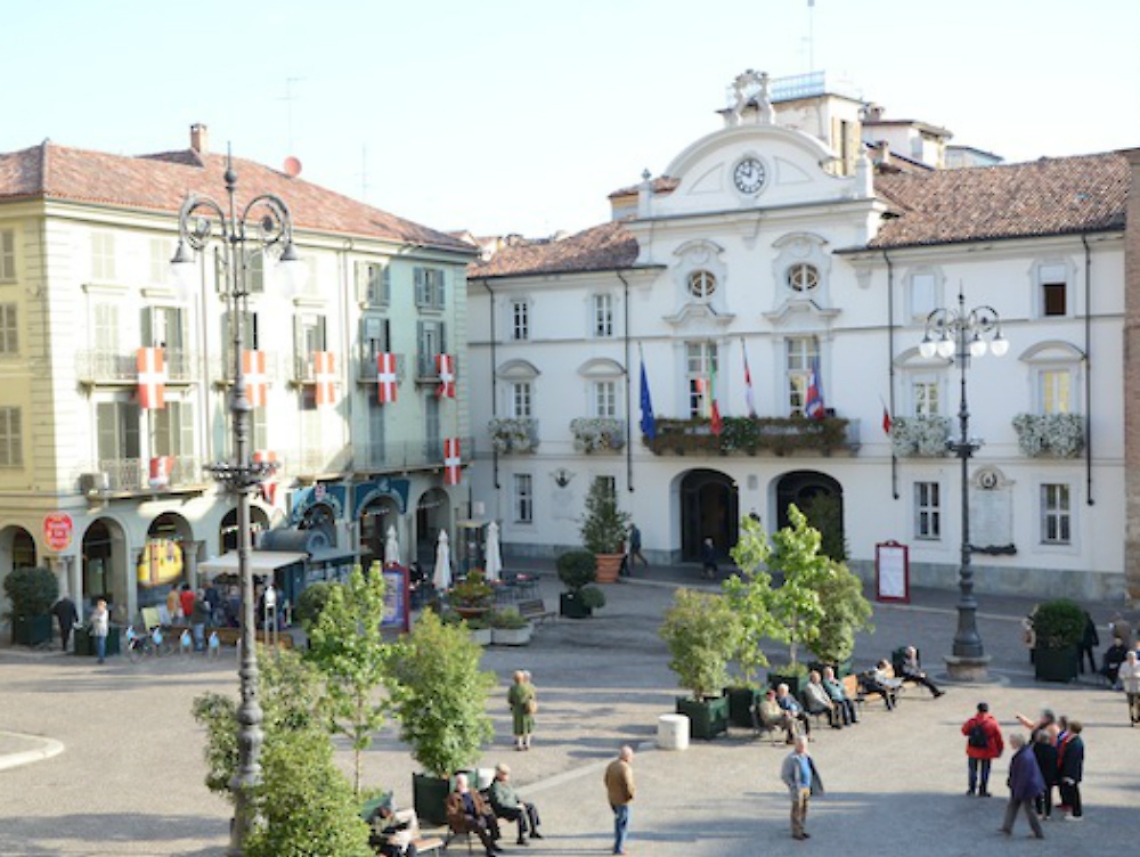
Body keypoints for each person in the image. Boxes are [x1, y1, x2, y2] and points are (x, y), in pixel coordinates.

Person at [1000, 733, 1045, 839]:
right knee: (1013, 806)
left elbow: (1023, 777)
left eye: (1012, 742)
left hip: (1025, 788)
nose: (1010, 744)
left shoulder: (1024, 757)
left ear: (1017, 742)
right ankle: (1007, 827)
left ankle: (1038, 832)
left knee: (1029, 810)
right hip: (1025, 786)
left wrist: (1017, 792)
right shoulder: (1026, 752)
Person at [445, 773, 501, 857]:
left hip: (477, 815)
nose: (461, 784)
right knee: (479, 825)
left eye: (462, 782)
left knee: (491, 817)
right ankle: (488, 848)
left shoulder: (472, 792)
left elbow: (482, 804)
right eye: (459, 782)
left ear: (466, 783)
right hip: (464, 821)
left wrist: (484, 811)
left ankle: (493, 841)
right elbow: (451, 814)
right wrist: (464, 817)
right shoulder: (453, 797)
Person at [486, 763, 543, 845]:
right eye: (505, 774)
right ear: (499, 774)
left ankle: (533, 831)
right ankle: (521, 837)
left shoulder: (507, 784)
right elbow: (500, 803)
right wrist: (516, 806)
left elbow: (514, 795)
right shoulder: (496, 787)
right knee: (520, 812)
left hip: (512, 806)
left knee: (531, 806)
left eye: (507, 774)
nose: (507, 776)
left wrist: (520, 802)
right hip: (503, 810)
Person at [780, 733, 824, 841]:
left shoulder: (807, 756)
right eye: (800, 745)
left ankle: (802, 829)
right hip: (798, 788)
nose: (803, 747)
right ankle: (796, 832)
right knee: (797, 810)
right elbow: (785, 775)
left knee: (804, 809)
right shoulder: (791, 759)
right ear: (796, 745)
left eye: (804, 745)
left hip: (806, 787)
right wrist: (793, 786)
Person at [962, 701, 1003, 796]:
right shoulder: (992, 722)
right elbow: (998, 737)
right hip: (987, 750)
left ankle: (971, 789)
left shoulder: (972, 721)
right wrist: (1000, 749)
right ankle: (983, 790)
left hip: (973, 750)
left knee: (972, 770)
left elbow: (964, 731)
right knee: (985, 770)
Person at [603, 745, 635, 856]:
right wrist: (631, 796)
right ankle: (619, 848)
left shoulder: (611, 765)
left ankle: (617, 843)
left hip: (613, 799)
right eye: (631, 756)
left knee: (618, 822)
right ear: (627, 757)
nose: (632, 759)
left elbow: (606, 780)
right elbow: (629, 785)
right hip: (623, 800)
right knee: (623, 824)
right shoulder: (626, 768)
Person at [1057, 720, 1085, 820]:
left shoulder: (1075, 743)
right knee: (1070, 792)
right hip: (1069, 772)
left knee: (1074, 793)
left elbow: (1073, 760)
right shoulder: (1072, 740)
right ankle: (1072, 810)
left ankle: (1077, 813)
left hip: (1072, 773)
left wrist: (1069, 774)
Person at [1032, 721, 1060, 820]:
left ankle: (1039, 812)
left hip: (1037, 774)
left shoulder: (1035, 749)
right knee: (1048, 794)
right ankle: (1047, 813)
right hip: (1049, 775)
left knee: (1038, 794)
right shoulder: (1053, 750)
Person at [507, 670, 536, 751]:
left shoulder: (513, 688)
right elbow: (532, 697)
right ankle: (527, 743)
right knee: (528, 726)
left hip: (517, 710)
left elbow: (510, 699)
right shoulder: (529, 687)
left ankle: (519, 744)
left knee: (518, 727)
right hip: (527, 709)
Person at [1118, 650, 1140, 724]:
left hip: (1138, 686)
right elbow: (1120, 674)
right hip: (1129, 687)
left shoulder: (1139, 664)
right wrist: (1125, 677)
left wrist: (1137, 675)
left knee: (1138, 703)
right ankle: (1132, 718)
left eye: (1132, 658)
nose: (1131, 659)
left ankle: (1138, 717)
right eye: (1129, 658)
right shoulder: (1124, 665)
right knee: (1131, 704)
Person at [1079, 610, 1099, 675]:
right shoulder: (1090, 623)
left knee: (1080, 657)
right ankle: (1093, 669)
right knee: (1090, 656)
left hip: (1081, 642)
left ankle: (1081, 669)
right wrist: (1096, 640)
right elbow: (1094, 632)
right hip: (1088, 642)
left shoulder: (1080, 623)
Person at [90, 597, 110, 664]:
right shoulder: (96, 611)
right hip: (96, 630)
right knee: (97, 644)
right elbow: (92, 618)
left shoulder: (105, 612)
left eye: (100, 605)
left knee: (101, 644)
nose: (99, 606)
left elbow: (101, 619)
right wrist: (95, 617)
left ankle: (101, 658)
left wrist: (96, 618)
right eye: (98, 605)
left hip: (102, 630)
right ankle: (99, 656)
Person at [190, 588, 210, 652]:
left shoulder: (194, 601)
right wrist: (207, 606)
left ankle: (199, 646)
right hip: (199, 620)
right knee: (199, 634)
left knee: (197, 633)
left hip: (195, 619)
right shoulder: (199, 602)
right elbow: (206, 610)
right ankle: (199, 647)